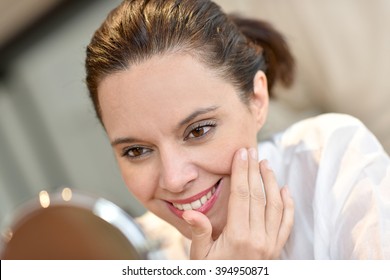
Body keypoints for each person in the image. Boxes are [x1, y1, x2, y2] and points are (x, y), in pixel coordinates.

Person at [85, 0, 390, 259]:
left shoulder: (328, 162)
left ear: (256, 99)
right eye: (136, 151)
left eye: (198, 131)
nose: (175, 179)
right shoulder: (137, 254)